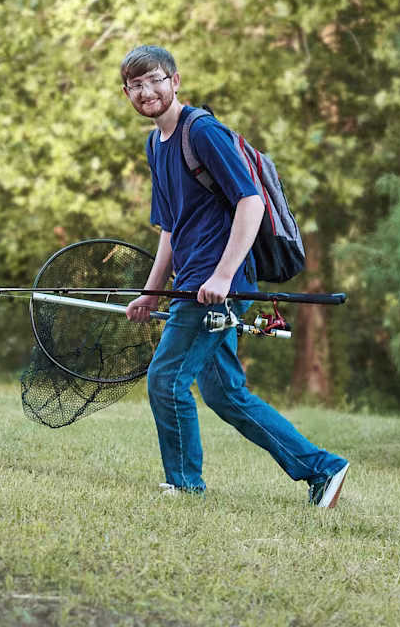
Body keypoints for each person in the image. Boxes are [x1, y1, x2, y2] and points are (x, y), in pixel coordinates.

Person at [120, 44, 349, 507]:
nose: (147, 92)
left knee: (165, 379)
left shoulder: (201, 131)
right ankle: (322, 468)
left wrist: (224, 276)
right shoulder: (154, 144)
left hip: (216, 286)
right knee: (225, 394)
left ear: (176, 80)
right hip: (192, 285)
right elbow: (169, 228)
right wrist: (149, 293)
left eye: (155, 80)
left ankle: (184, 485)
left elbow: (251, 202)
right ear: (127, 92)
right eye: (136, 85)